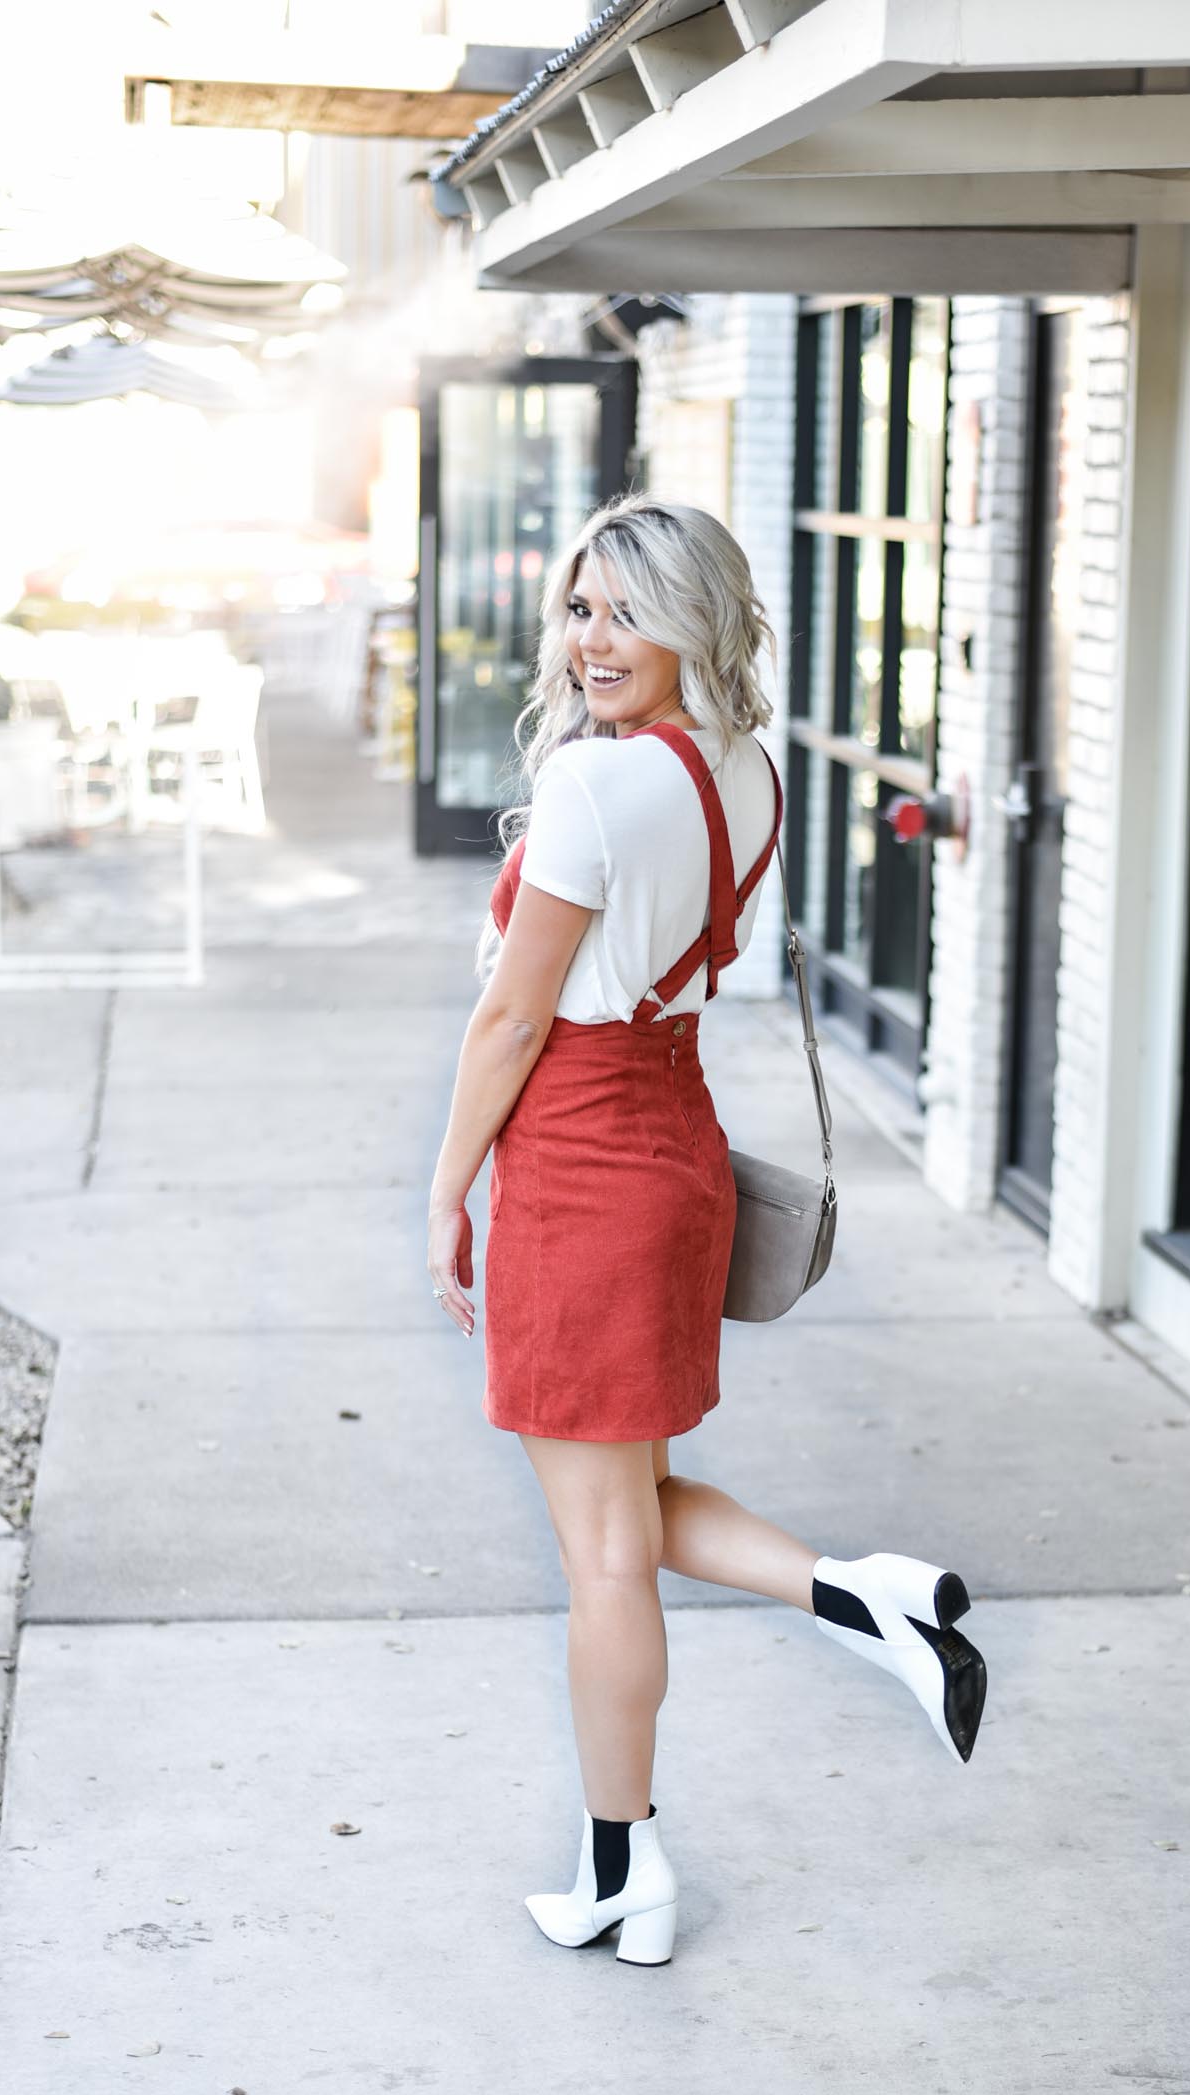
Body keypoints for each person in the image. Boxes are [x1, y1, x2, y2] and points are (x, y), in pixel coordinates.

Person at [426, 494, 986, 1967]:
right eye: (581, 609)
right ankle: (866, 1599)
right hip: (676, 1146)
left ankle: (625, 1870)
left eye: (628, 612)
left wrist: (444, 1186)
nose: (593, 640)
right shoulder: (745, 767)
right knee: (631, 1505)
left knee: (601, 1549)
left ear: (697, 619)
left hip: (586, 1160)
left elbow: (511, 1015)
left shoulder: (600, 793)